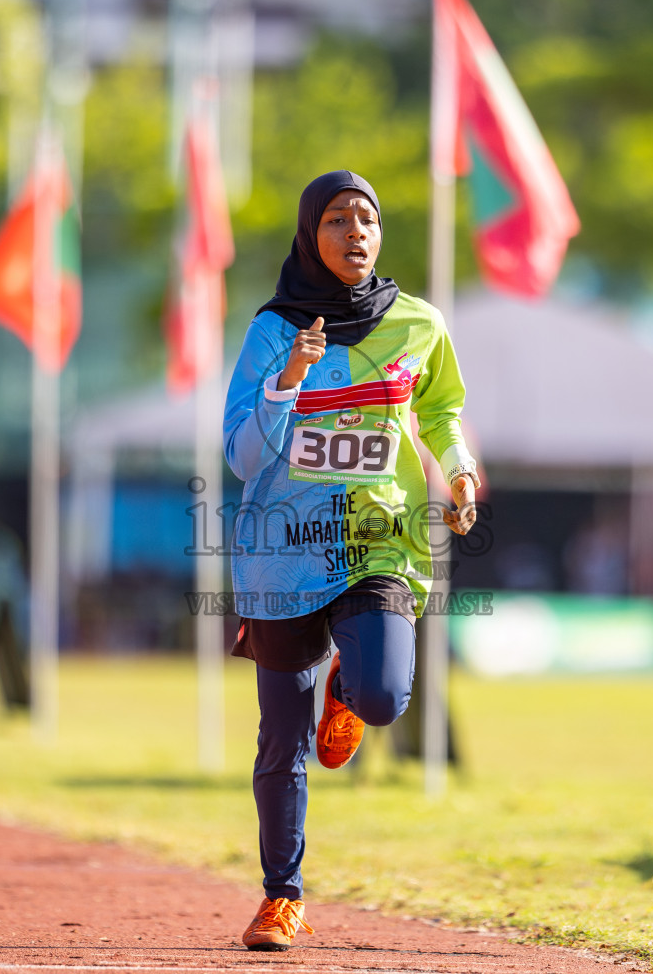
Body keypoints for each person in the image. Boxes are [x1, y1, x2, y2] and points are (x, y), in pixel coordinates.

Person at [223, 171, 480, 951]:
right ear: (311, 235)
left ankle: (351, 686)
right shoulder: (275, 329)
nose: (355, 233)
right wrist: (290, 380)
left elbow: (439, 410)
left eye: (367, 218)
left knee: (382, 695)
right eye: (337, 220)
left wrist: (460, 469)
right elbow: (239, 456)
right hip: (284, 554)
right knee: (282, 740)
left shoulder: (420, 325)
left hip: (379, 539)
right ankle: (281, 897)